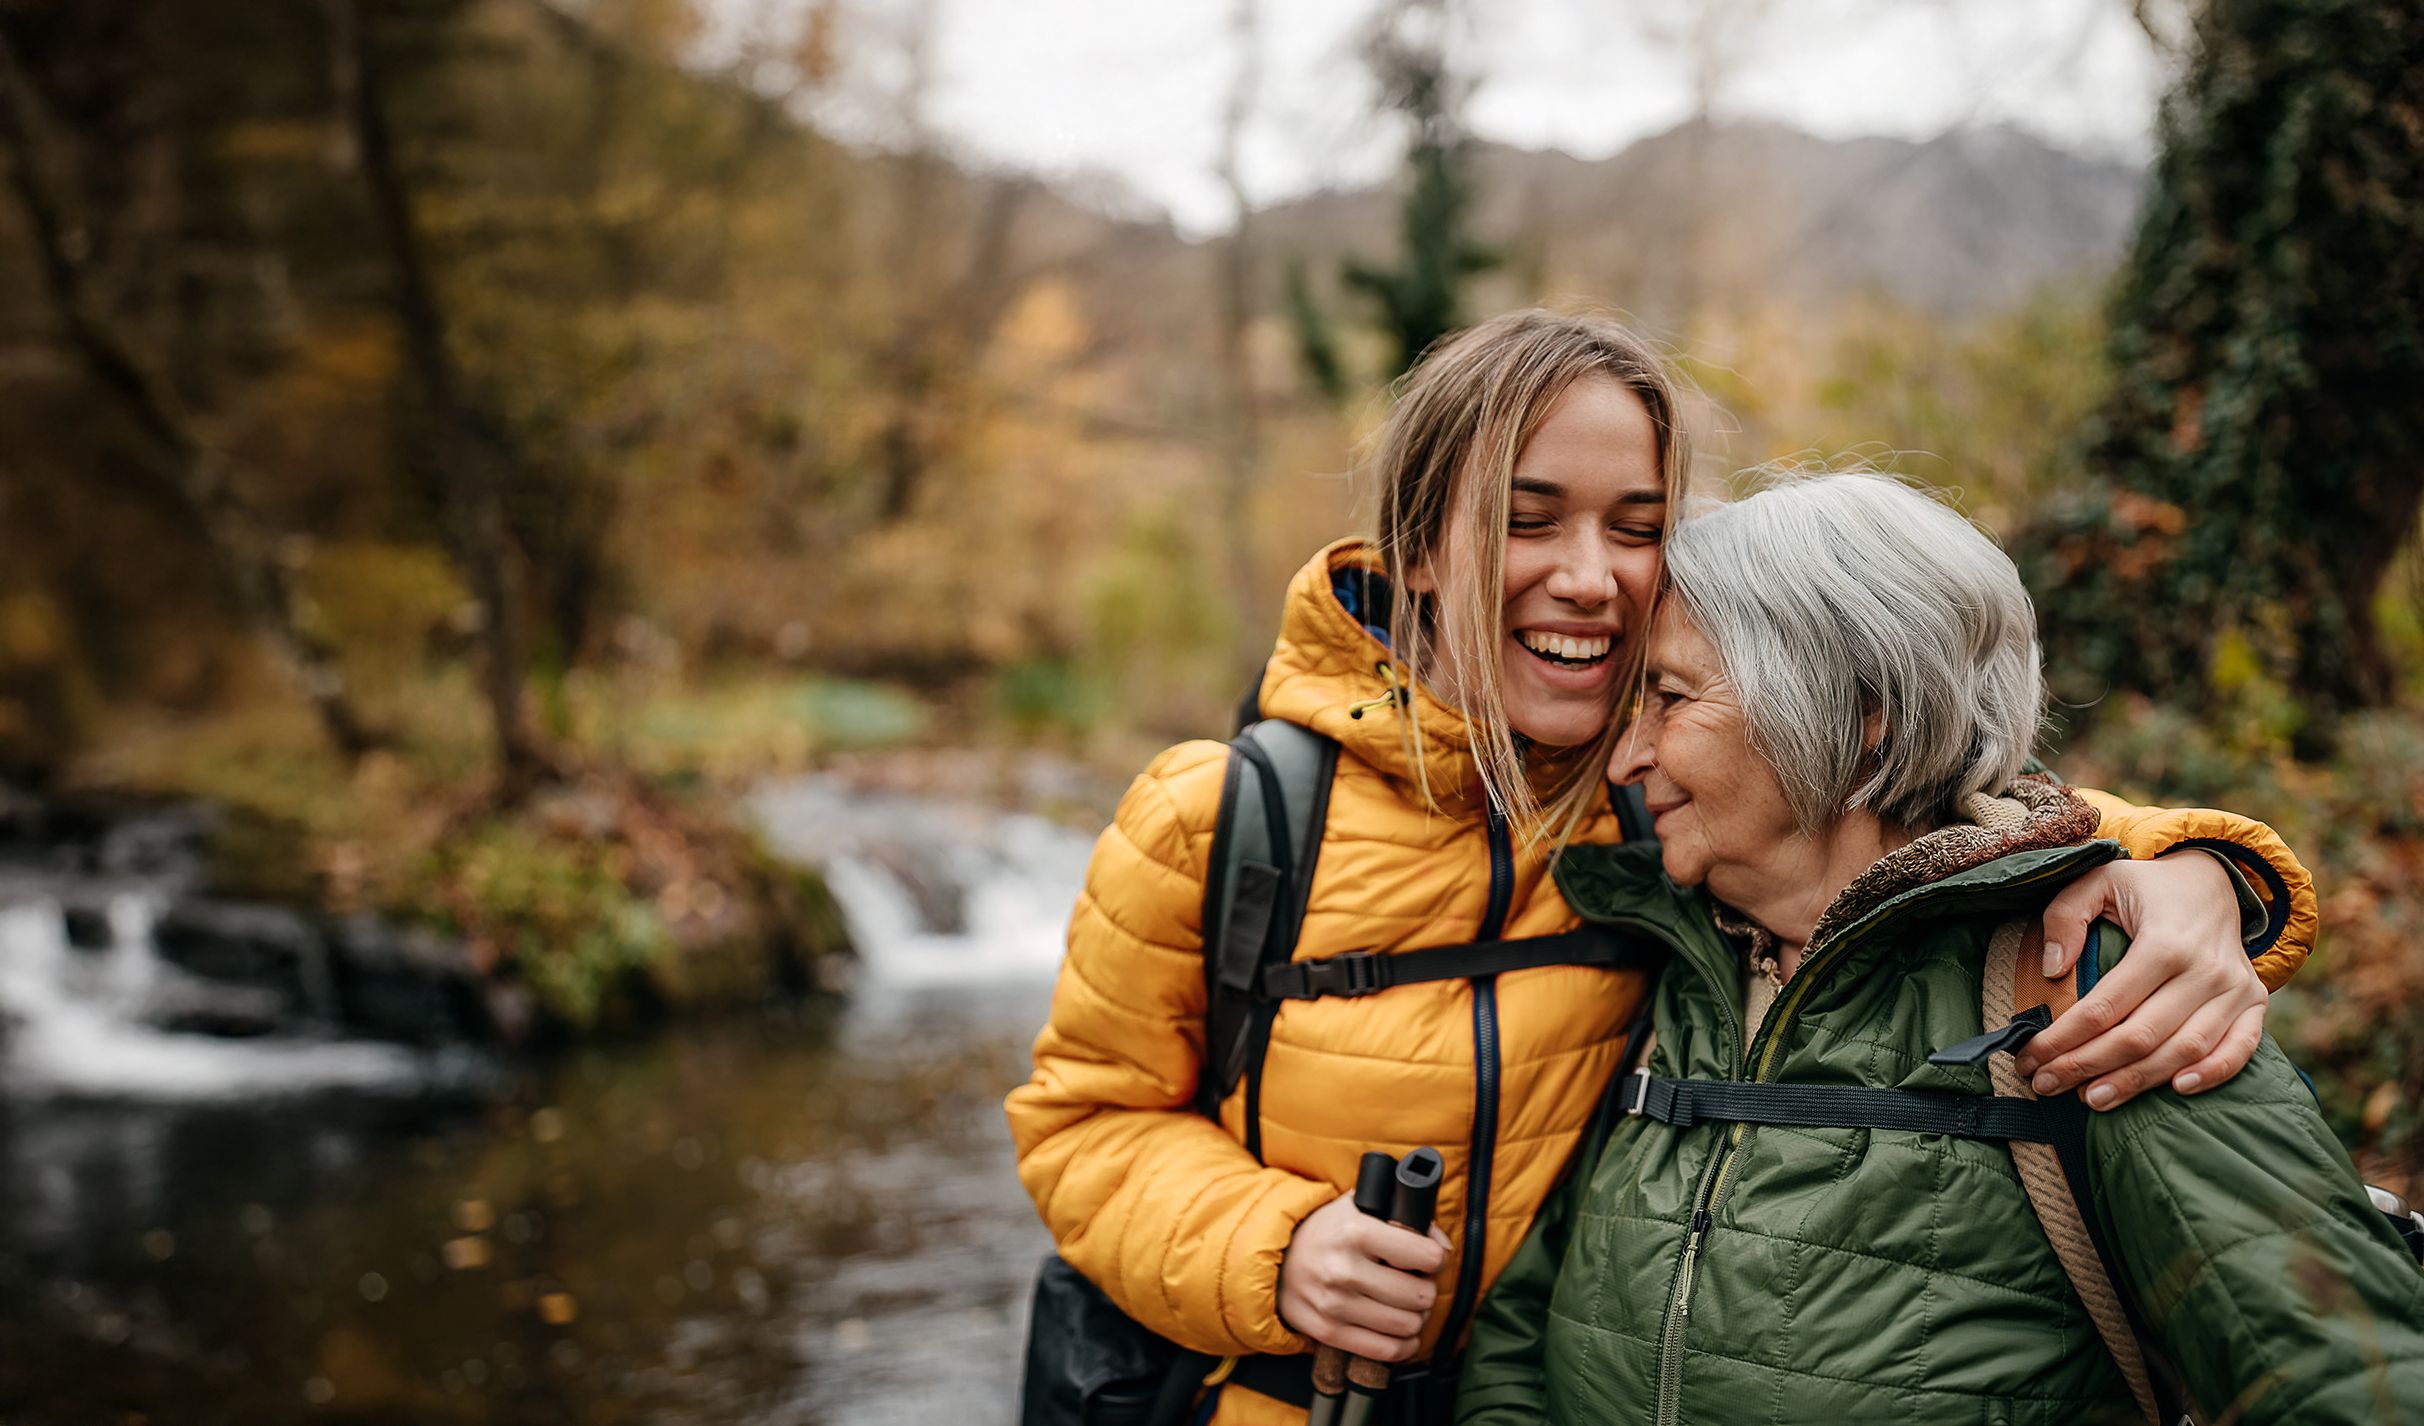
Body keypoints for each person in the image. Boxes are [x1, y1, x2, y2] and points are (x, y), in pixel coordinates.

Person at [1007, 310, 2320, 1426]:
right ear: (1417, 550)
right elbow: (1081, 1123)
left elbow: (1940, 798)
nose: (1590, 578)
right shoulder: (1221, 813)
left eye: (1637, 527)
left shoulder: (1669, 804)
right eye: (1529, 522)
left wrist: (2189, 860)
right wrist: (1271, 1249)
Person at [1454, 469, 2423, 1425]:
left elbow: (2354, 1380)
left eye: (1669, 698)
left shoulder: (2096, 994)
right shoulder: (1674, 987)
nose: (1629, 756)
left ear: (1858, 725)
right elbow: (1518, 1342)